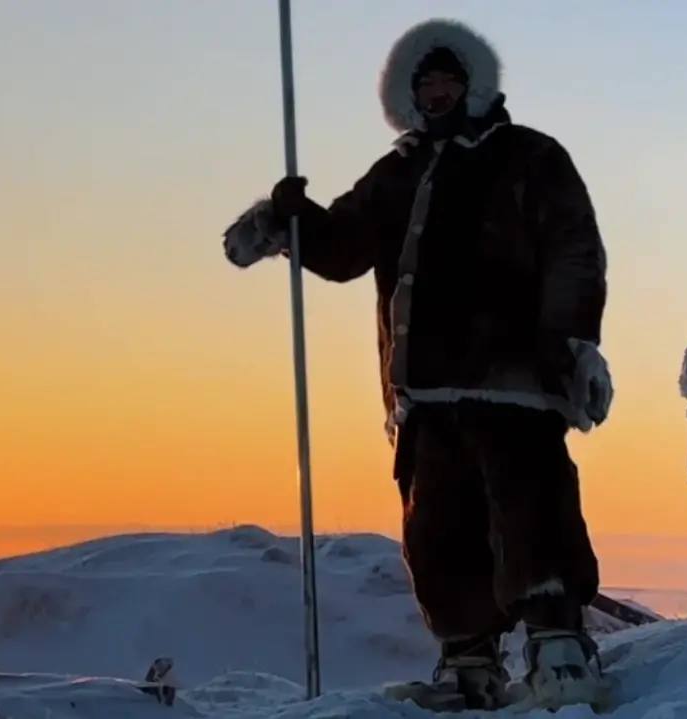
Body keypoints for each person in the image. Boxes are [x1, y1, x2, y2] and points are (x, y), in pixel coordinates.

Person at [223, 18, 613, 711]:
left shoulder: (528, 157)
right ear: (410, 95)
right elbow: (344, 247)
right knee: (441, 525)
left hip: (515, 376)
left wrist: (576, 343)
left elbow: (574, 250)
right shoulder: (400, 173)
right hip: (424, 388)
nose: (437, 93)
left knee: (530, 507)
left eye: (448, 81)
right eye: (426, 84)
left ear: (473, 86)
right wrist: (290, 219)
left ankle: (559, 644)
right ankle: (468, 657)